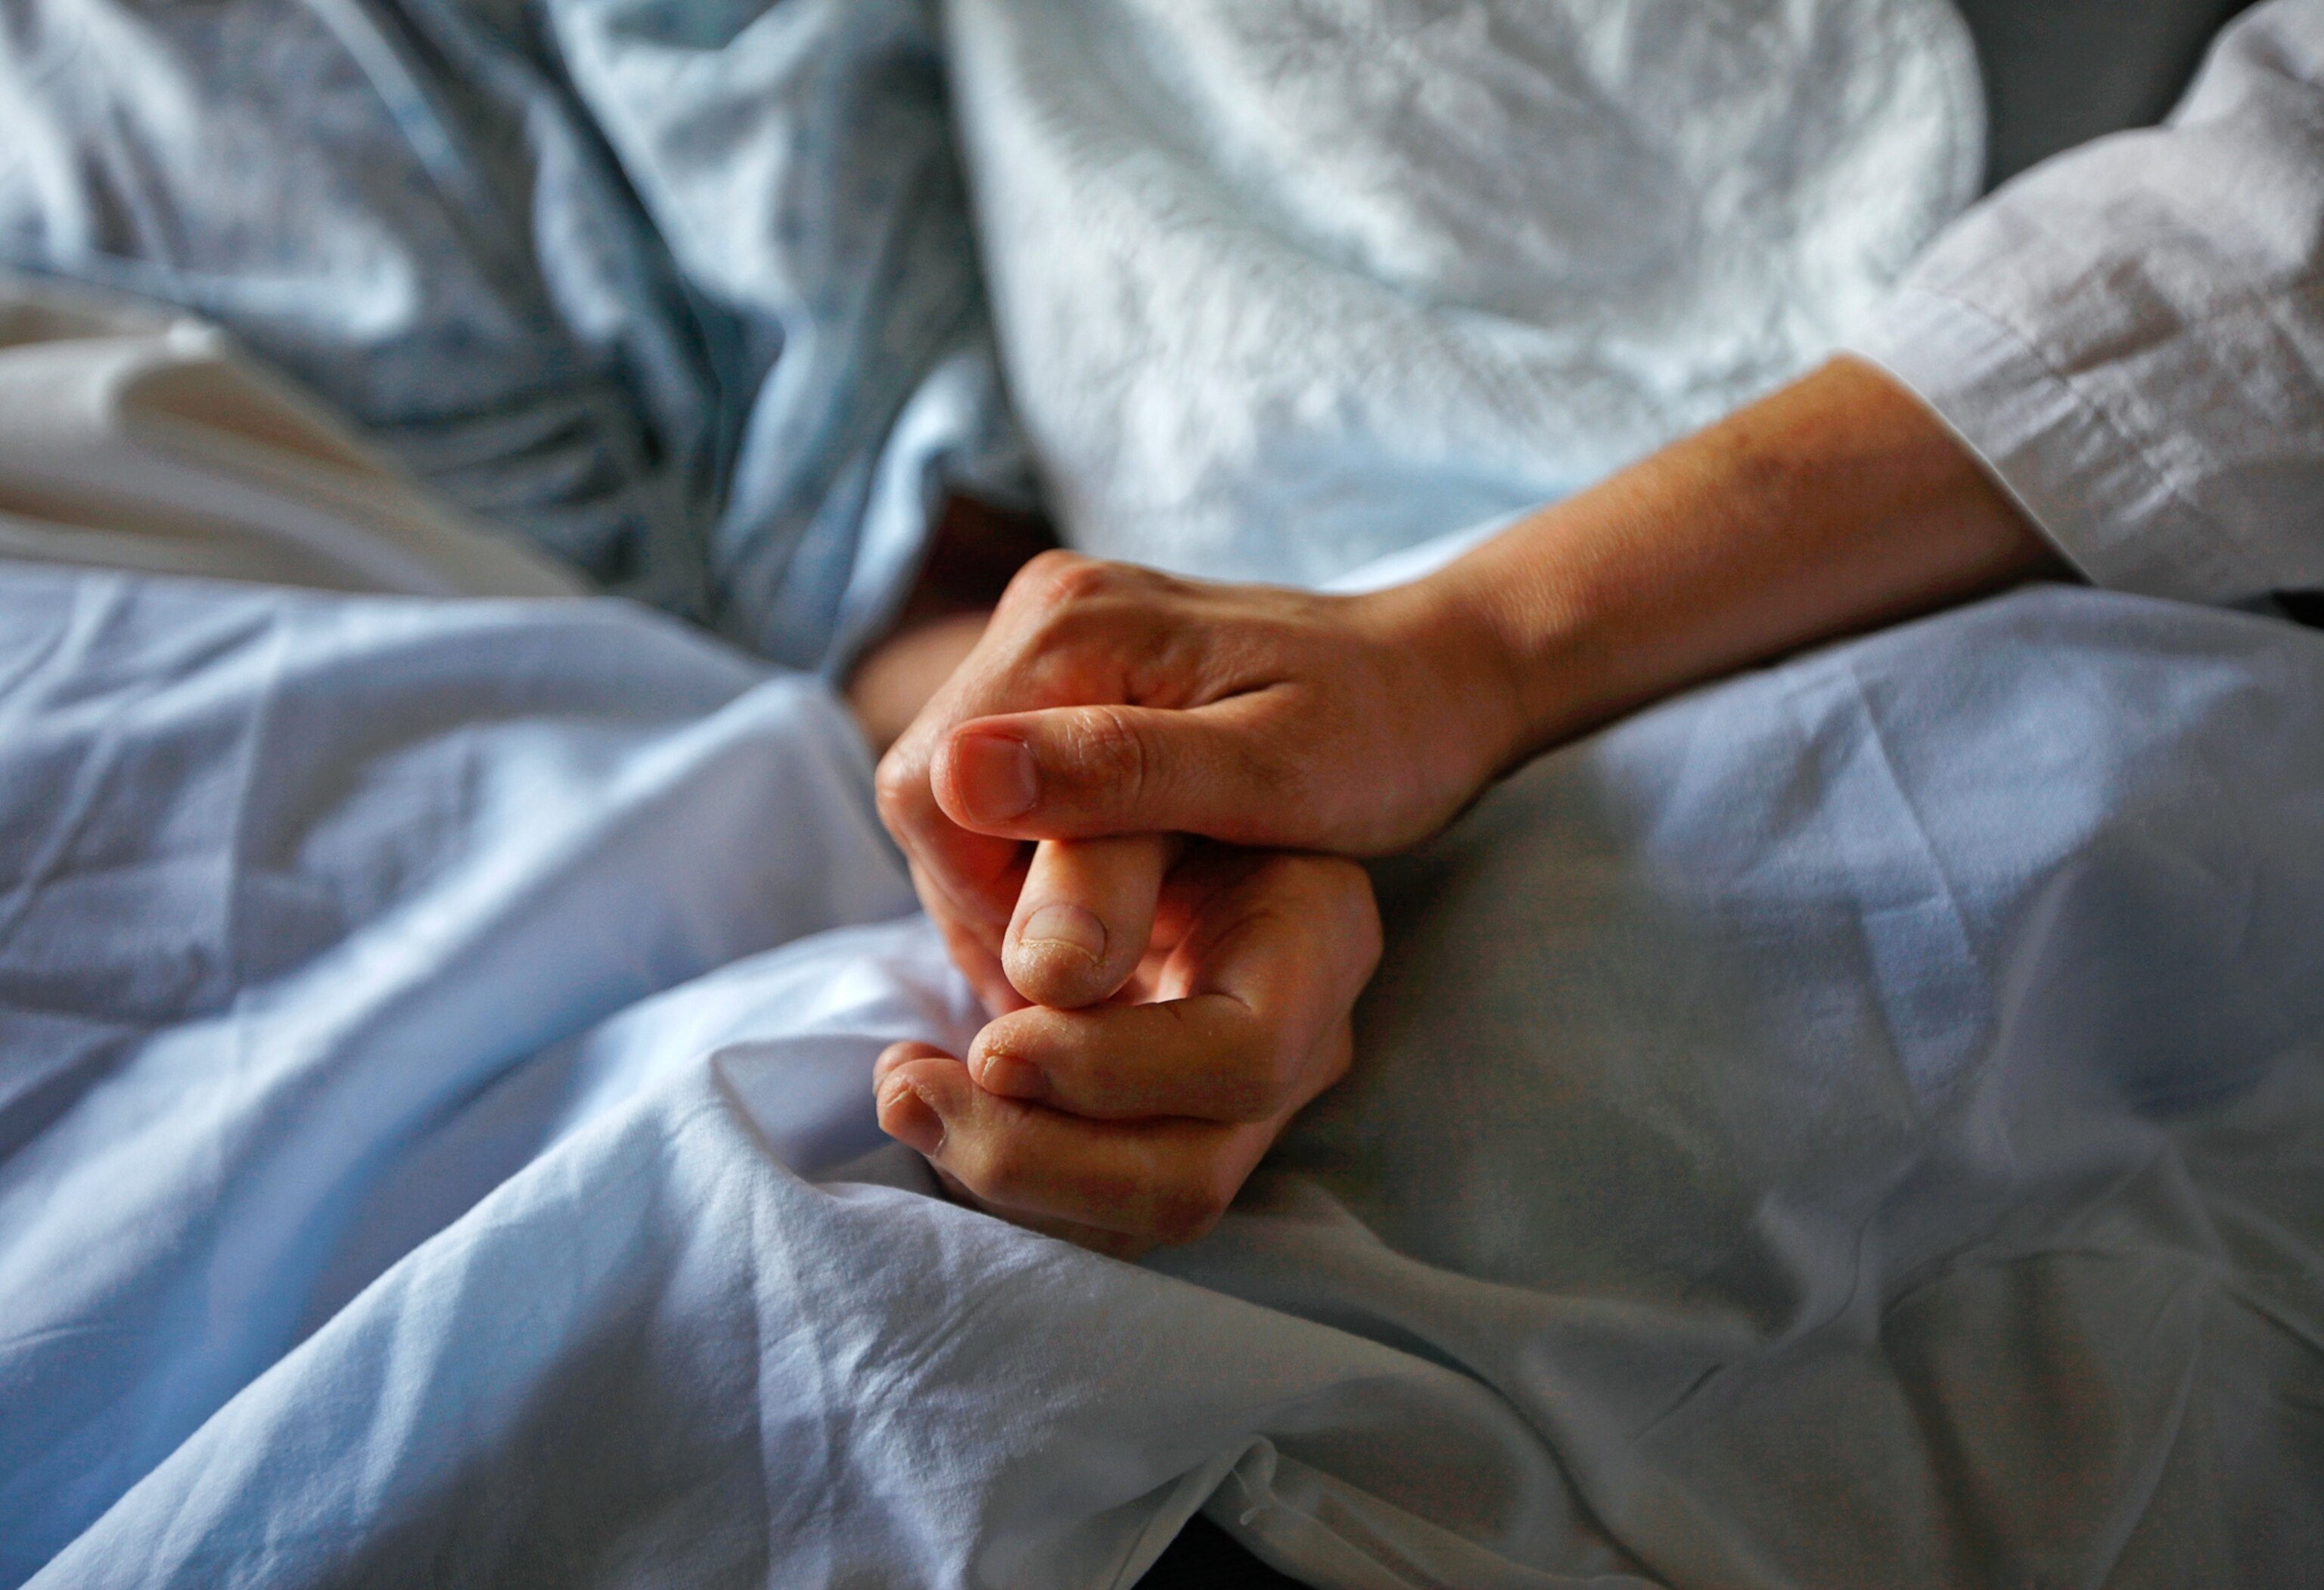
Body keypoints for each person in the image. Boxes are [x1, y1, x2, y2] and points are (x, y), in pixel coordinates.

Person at [867, 0, 2324, 1250]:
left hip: (2001, 602)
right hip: (1284, 788)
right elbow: (833, 566)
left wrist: (1460, 650)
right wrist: (1156, 789)